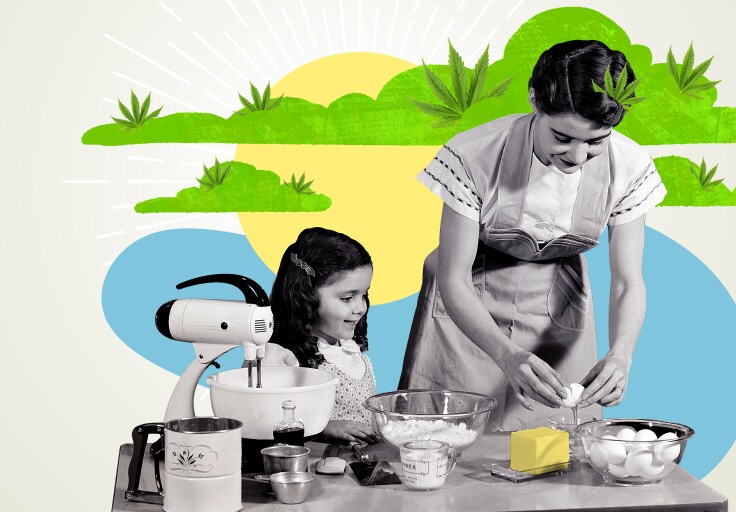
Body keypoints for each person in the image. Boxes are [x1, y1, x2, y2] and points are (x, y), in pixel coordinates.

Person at [399, 40, 666, 431]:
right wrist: (506, 355)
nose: (577, 157)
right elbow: (453, 278)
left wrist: (622, 354)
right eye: (563, 137)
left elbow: (628, 281)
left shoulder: (630, 166)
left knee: (555, 439)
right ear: (535, 100)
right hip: (467, 303)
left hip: (559, 306)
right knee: (444, 433)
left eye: (595, 141)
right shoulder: (473, 155)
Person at [262, 227, 378, 444]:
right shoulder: (280, 357)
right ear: (306, 295)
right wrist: (322, 429)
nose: (361, 308)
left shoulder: (348, 348)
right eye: (347, 298)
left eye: (364, 294)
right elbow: (263, 418)